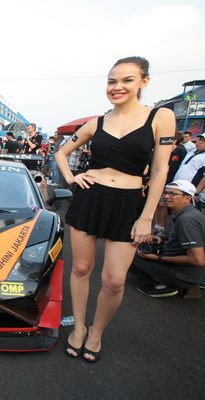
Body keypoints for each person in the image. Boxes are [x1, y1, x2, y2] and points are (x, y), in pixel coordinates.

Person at [55, 56, 174, 363]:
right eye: (112, 81)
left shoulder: (160, 117)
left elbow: (160, 171)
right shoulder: (96, 122)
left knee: (115, 280)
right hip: (89, 199)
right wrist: (71, 178)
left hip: (129, 205)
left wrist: (147, 217)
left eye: (127, 80)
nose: (117, 87)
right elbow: (61, 152)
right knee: (81, 269)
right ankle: (80, 327)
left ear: (143, 82)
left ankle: (97, 332)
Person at [130, 180, 204, 299]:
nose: (166, 196)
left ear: (187, 198)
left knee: (128, 258)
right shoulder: (190, 214)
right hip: (189, 273)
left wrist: (158, 257)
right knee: (145, 246)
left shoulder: (187, 220)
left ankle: (167, 286)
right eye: (165, 193)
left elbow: (198, 260)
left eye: (173, 194)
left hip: (181, 275)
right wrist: (162, 239)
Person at [153, 131, 187, 236]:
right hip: (160, 182)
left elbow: (182, 167)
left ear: (174, 140)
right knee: (156, 205)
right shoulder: (163, 152)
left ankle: (161, 228)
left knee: (163, 205)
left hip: (172, 184)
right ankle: (156, 226)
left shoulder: (180, 151)